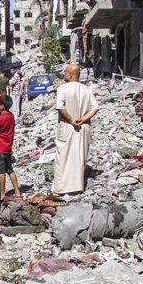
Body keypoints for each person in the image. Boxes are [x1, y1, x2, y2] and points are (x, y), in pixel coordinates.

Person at [52, 63, 99, 196]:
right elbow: (95, 107)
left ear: (70, 75)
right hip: (84, 127)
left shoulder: (63, 88)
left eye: (65, 72)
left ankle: (61, 188)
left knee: (63, 157)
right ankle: (77, 186)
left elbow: (60, 107)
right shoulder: (86, 89)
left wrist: (71, 119)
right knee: (79, 156)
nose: (64, 74)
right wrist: (83, 119)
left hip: (68, 126)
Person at [0, 95, 21, 201]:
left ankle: (2, 194)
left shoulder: (0, 118)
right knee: (10, 170)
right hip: (7, 147)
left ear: (2, 106)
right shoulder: (11, 116)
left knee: (1, 172)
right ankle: (17, 191)